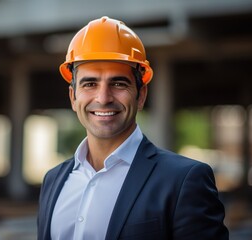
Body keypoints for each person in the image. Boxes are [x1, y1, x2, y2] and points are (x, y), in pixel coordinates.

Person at [37, 16, 229, 240]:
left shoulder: (183, 180)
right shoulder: (53, 180)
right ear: (73, 97)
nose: (103, 97)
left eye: (119, 83)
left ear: (141, 96)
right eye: (90, 84)